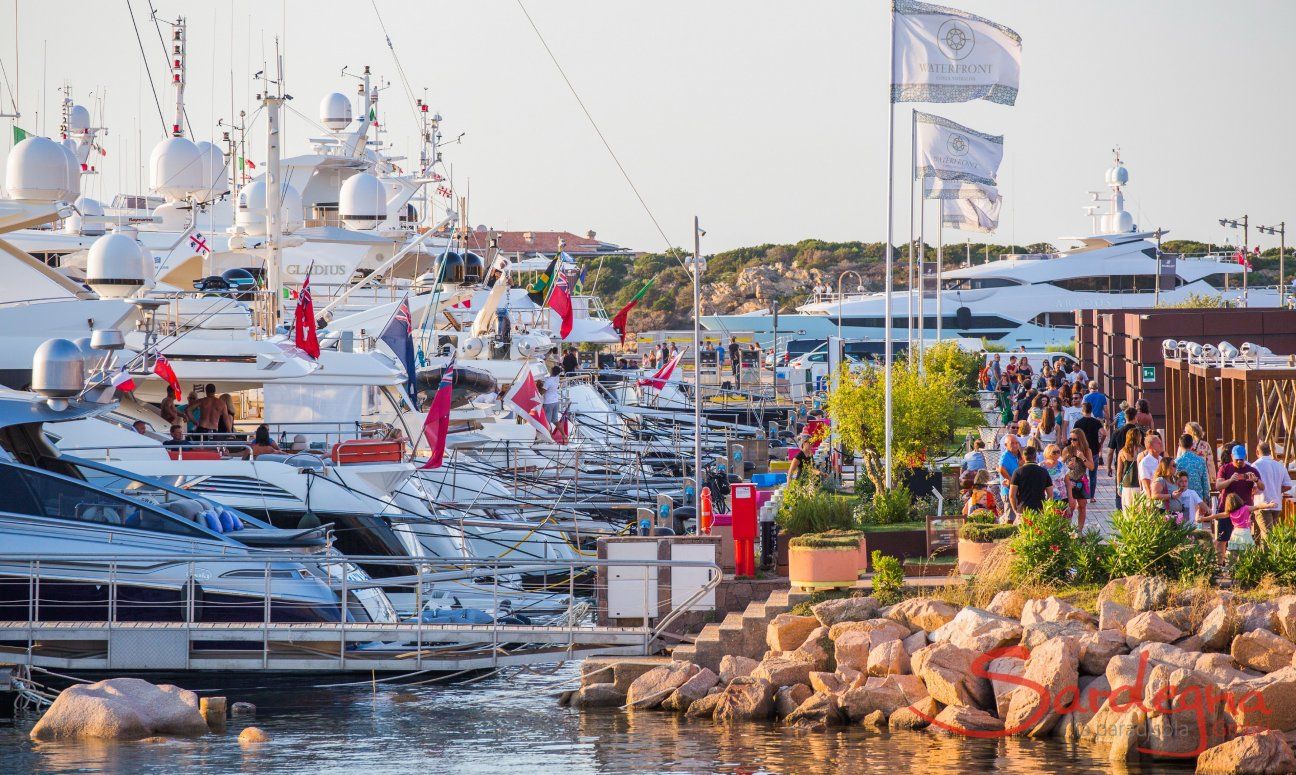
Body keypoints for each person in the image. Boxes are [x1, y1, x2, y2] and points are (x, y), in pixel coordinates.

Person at [1250, 441, 1292, 542]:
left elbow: (1252, 487)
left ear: (1257, 452)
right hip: (1277, 504)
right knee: (1273, 535)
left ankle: (1266, 557)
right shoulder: (1279, 465)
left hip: (1262, 504)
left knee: (1267, 537)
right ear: (1270, 452)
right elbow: (1288, 485)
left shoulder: (1255, 465)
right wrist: (1277, 489)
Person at [1198, 492, 1254, 564]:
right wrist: (1268, 505)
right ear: (1239, 500)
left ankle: (1232, 568)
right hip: (1245, 533)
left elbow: (1216, 516)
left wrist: (1203, 519)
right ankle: (1245, 567)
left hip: (1235, 533)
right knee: (1246, 552)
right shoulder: (1246, 508)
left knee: (1234, 553)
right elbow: (1258, 507)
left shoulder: (1229, 513)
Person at [1073, 402, 1106, 500]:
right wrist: (1100, 443)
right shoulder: (1096, 422)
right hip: (1094, 450)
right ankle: (1091, 496)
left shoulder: (1078, 423)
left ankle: (1080, 494)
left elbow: (1074, 436)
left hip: (1081, 451)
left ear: (1082, 411)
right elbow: (1104, 433)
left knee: (1079, 473)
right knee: (1093, 474)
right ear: (1091, 411)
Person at [1010, 445, 1054, 516]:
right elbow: (1050, 494)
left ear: (1023, 457)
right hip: (1040, 510)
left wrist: (1015, 510)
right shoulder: (1043, 472)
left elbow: (1012, 495)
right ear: (1035, 457)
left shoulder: (1017, 472)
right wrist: (1046, 509)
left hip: (1023, 510)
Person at [1217, 445, 1261, 515]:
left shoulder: (1252, 470)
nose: (1239, 461)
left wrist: (1256, 480)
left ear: (1245, 457)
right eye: (1236, 459)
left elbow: (1262, 487)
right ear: (1232, 456)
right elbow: (1218, 486)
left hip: (1244, 510)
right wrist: (1230, 480)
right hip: (1227, 509)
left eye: (1241, 459)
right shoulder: (1224, 468)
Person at [1064, 431, 1093, 529]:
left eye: (1074, 439)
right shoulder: (1067, 450)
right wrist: (1068, 465)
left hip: (1081, 481)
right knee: (1070, 506)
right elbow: (1060, 464)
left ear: (1080, 439)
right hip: (1070, 481)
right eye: (1070, 439)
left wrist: (1083, 458)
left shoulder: (1086, 450)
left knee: (1082, 505)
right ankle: (1067, 530)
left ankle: (1079, 530)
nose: (1072, 441)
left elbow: (1092, 467)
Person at [1174, 433, 1210, 503]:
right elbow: (1205, 481)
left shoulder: (1177, 462)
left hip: (1182, 497)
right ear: (1192, 444)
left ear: (1180, 445)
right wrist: (1205, 498)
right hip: (1198, 498)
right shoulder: (1200, 460)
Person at [1116, 432, 1144, 510]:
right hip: (1140, 484)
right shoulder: (1143, 451)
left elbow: (1119, 472)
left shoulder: (1122, 452)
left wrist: (1119, 486)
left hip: (1126, 485)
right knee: (1139, 511)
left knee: (1128, 512)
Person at [997, 434, 1023, 517]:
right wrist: (1012, 482)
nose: (1015, 445)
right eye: (1012, 443)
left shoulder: (1015, 455)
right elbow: (1001, 469)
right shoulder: (1006, 455)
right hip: (1008, 492)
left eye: (1016, 443)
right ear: (1006, 445)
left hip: (1015, 491)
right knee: (1010, 518)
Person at [1138, 433, 1165, 499]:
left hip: (1164, 496)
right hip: (1153, 497)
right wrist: (1150, 500)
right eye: (1158, 443)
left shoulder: (1162, 459)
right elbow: (1146, 484)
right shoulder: (1145, 462)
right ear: (1150, 446)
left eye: (1161, 442)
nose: (1161, 445)